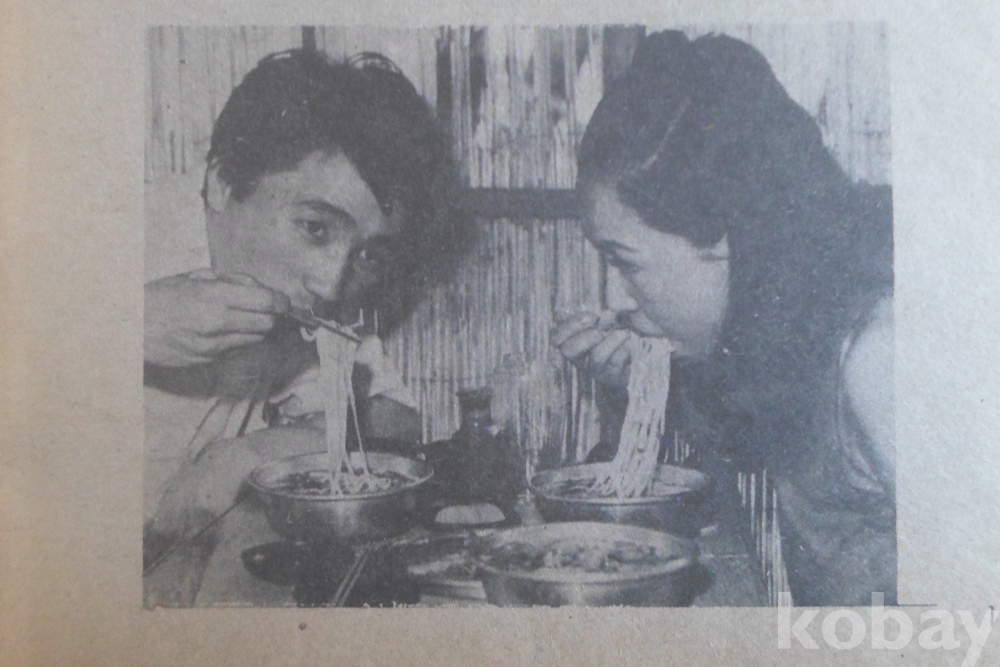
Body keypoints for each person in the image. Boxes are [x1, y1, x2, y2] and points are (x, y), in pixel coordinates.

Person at [552, 31, 894, 606]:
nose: (614, 296)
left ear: (725, 239)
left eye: (625, 261)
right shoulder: (788, 337)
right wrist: (634, 393)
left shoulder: (877, 358)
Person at [143, 49, 472, 572]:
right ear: (223, 183)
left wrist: (247, 455)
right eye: (315, 229)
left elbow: (393, 419)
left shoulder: (313, 304)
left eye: (367, 254)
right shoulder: (112, 230)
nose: (332, 283)